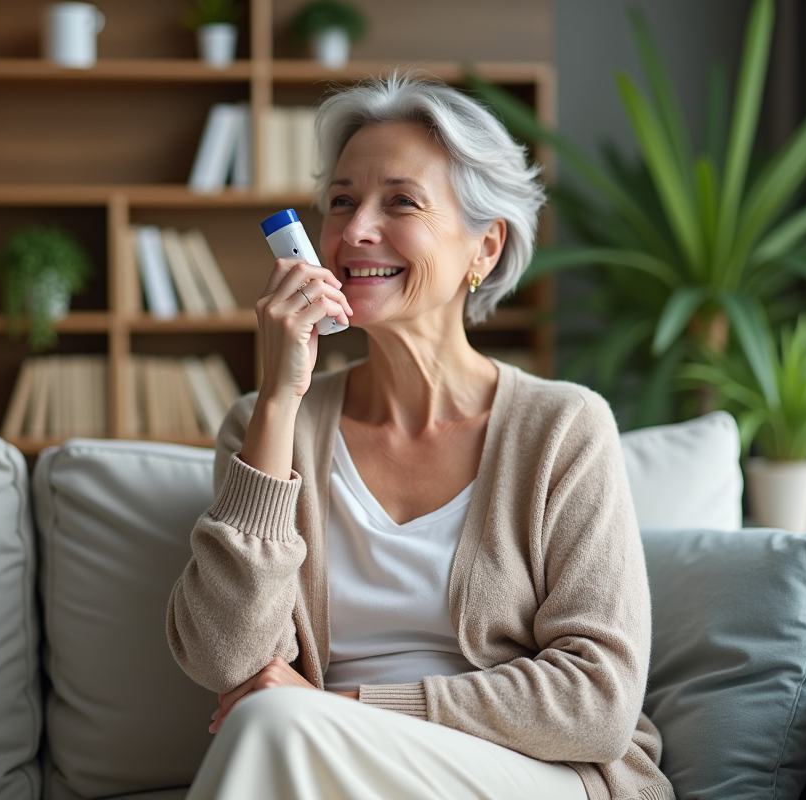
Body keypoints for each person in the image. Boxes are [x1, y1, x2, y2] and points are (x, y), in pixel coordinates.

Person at [167, 73, 673, 800]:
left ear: (485, 249)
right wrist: (280, 399)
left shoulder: (563, 428)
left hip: (526, 773)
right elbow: (228, 658)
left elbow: (596, 703)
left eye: (399, 201)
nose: (355, 230)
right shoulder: (267, 427)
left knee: (274, 726)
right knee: (274, 728)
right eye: (341, 201)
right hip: (325, 764)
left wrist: (343, 708)